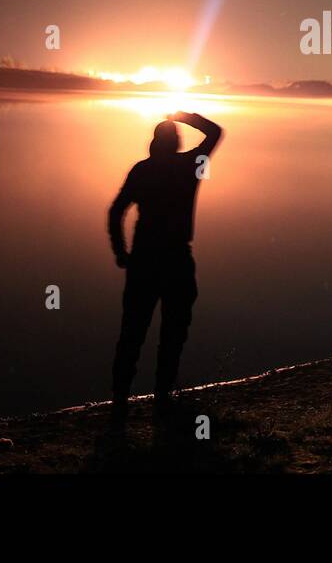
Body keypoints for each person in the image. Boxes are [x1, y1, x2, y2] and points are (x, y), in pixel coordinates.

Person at [107, 110, 222, 427]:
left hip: (144, 260)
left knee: (132, 332)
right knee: (172, 334)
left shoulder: (143, 170)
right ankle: (161, 396)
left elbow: (116, 211)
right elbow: (215, 133)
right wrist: (185, 116)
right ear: (177, 143)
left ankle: (120, 402)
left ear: (153, 144)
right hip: (176, 261)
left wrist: (121, 252)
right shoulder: (190, 167)